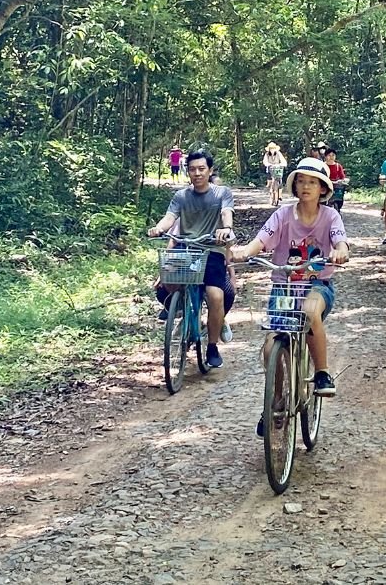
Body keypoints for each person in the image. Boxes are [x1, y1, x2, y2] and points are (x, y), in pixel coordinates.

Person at [231, 157, 350, 422]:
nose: (306, 186)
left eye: (312, 182)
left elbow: (339, 240)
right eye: (301, 181)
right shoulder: (283, 215)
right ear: (294, 186)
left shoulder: (330, 216)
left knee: (310, 311)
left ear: (323, 188)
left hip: (317, 285)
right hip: (285, 286)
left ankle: (322, 373)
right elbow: (262, 239)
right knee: (271, 348)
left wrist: (340, 251)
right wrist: (244, 252)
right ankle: (276, 399)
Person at [147, 150, 235, 367]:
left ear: (210, 170)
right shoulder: (181, 196)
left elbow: (227, 213)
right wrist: (158, 228)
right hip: (185, 250)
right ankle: (183, 311)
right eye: (193, 169)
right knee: (167, 280)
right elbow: (170, 218)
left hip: (211, 251)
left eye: (201, 169)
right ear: (188, 171)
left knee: (215, 296)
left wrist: (226, 228)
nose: (197, 173)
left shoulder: (222, 193)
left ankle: (212, 346)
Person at [263, 142, 287, 207]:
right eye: (271, 149)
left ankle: (279, 195)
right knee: (270, 183)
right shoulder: (267, 154)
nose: (272, 150)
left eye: (273, 148)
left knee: (280, 181)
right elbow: (265, 161)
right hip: (270, 169)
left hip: (277, 170)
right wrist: (268, 164)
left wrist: (281, 164)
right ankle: (271, 194)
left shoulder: (278, 154)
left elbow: (284, 161)